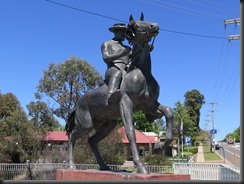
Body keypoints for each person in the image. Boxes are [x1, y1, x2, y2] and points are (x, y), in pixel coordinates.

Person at [101, 23, 132, 105]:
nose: (123, 33)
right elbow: (106, 58)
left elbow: (134, 59)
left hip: (126, 69)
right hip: (113, 68)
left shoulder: (128, 48)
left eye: (124, 31)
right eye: (121, 31)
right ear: (115, 32)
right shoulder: (107, 44)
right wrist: (120, 54)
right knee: (117, 73)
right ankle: (111, 96)